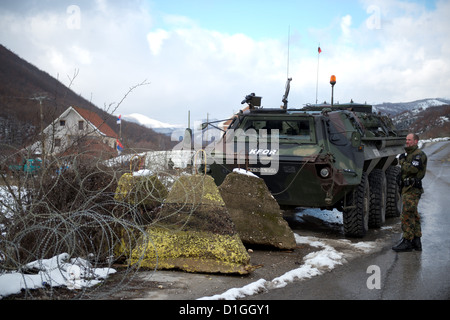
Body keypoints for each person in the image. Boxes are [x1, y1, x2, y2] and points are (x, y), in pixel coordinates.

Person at [392, 133, 427, 252]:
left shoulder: (418, 155)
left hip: (412, 189)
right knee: (413, 214)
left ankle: (407, 241)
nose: (407, 142)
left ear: (416, 141)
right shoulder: (409, 155)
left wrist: (402, 161)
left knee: (406, 215)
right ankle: (416, 241)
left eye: (410, 140)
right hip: (407, 188)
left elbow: (413, 169)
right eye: (406, 140)